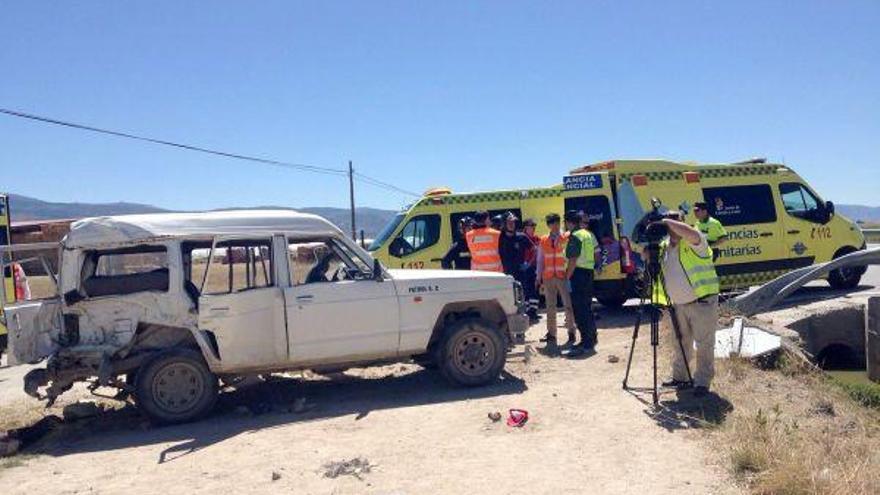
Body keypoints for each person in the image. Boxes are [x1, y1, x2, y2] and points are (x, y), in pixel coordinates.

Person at [653, 211, 720, 398]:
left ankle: (702, 382)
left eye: (676, 220)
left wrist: (666, 221)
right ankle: (680, 377)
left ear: (683, 222)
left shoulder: (695, 239)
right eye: (669, 221)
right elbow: (639, 249)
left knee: (704, 344)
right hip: (678, 304)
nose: (672, 225)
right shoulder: (664, 246)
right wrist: (648, 225)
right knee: (680, 343)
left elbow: (688, 233)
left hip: (702, 302)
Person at [536, 213, 576, 351]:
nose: (555, 225)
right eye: (552, 222)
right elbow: (540, 259)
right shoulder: (543, 240)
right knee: (550, 307)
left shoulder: (566, 237)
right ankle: (552, 334)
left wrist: (569, 273)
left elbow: (571, 256)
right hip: (548, 277)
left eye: (557, 222)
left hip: (562, 276)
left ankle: (571, 332)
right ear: (548, 225)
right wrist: (538, 276)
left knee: (568, 305)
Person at [563, 210, 599, 357]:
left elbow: (572, 259)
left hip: (578, 274)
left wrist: (567, 277)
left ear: (570, 222)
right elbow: (597, 254)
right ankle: (591, 338)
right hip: (588, 273)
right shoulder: (588, 234)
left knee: (580, 310)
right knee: (587, 307)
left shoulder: (576, 236)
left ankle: (586, 343)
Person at [499, 213, 535, 313]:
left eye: (513, 222)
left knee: (521, 295)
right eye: (509, 222)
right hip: (505, 274)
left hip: (520, 273)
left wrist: (528, 263)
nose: (512, 224)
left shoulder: (521, 236)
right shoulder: (499, 238)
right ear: (504, 224)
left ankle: (523, 314)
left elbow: (534, 250)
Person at [521, 218, 541, 323]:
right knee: (526, 290)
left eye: (534, 226)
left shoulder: (537, 239)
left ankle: (533, 311)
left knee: (535, 290)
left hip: (535, 268)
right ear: (525, 228)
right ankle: (527, 312)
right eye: (531, 226)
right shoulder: (521, 239)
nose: (533, 228)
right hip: (525, 269)